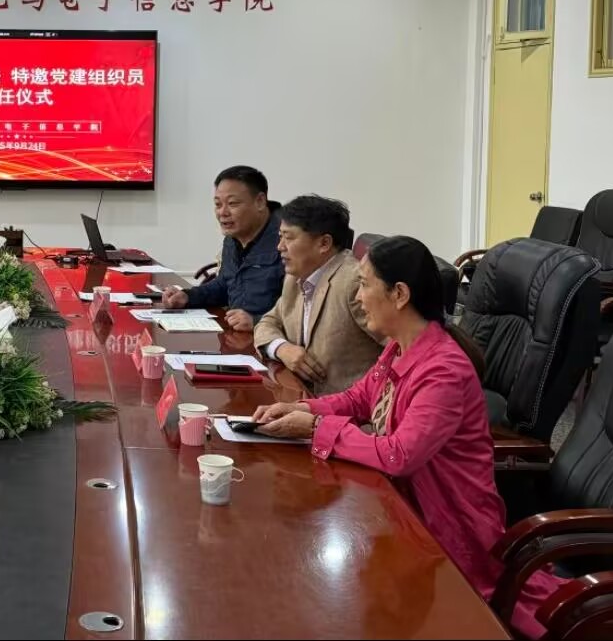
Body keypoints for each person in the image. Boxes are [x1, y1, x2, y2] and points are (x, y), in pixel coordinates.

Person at [251, 235, 563, 639]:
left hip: (450, 528)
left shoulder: (443, 370)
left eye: (364, 285)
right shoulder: (401, 347)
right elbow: (358, 399)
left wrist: (315, 430)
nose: (358, 297)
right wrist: (302, 408)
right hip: (402, 507)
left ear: (399, 294)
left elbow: (400, 455)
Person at [252, 195, 382, 394]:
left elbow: (401, 346)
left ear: (324, 243)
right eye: (280, 236)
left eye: (289, 237)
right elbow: (267, 323)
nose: (280, 246)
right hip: (300, 398)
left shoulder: (355, 283)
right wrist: (282, 348)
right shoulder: (295, 276)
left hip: (349, 407)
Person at [162, 165, 284, 330]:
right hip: (236, 337)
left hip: (272, 340)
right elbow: (225, 285)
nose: (223, 213)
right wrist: (187, 297)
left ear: (260, 202)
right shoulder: (232, 238)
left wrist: (256, 321)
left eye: (232, 203)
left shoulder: (288, 239)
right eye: (218, 205)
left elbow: (302, 310)